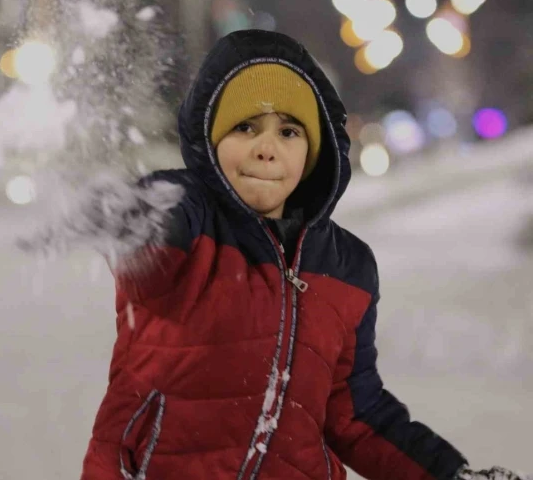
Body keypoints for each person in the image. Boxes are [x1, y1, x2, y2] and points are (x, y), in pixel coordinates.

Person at [31, 30, 530, 479]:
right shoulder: (190, 218)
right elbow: (154, 231)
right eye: (246, 127)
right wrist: (125, 216)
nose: (267, 148)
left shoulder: (348, 267)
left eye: (288, 131)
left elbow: (356, 414)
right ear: (212, 139)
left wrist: (449, 474)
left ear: (314, 150)